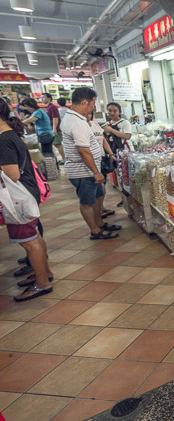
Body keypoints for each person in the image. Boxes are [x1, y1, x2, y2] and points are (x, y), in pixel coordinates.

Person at [0, 99, 53, 301]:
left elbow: (11, 174)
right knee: (34, 237)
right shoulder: (9, 135)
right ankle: (44, 273)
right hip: (25, 193)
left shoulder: (3, 139)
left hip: (17, 197)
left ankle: (42, 283)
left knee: (29, 242)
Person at [61, 87, 119, 239]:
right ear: (84, 102)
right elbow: (83, 151)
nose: (93, 106)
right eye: (93, 103)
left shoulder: (75, 118)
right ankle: (95, 230)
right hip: (82, 170)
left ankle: (99, 223)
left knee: (98, 196)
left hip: (87, 169)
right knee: (87, 201)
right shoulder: (76, 122)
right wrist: (95, 171)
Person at [89, 110, 118, 219]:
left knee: (102, 186)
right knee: (97, 187)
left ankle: (101, 207)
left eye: (89, 114)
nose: (88, 116)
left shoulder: (96, 125)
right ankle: (96, 213)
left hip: (100, 159)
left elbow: (103, 140)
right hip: (90, 161)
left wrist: (110, 154)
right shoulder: (81, 127)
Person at [41, 93, 65, 161]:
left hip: (55, 129)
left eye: (43, 97)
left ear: (49, 98)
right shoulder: (48, 107)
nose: (42, 99)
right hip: (50, 129)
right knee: (56, 144)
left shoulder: (52, 107)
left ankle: (64, 159)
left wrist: (54, 129)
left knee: (57, 144)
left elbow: (55, 118)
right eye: (41, 98)